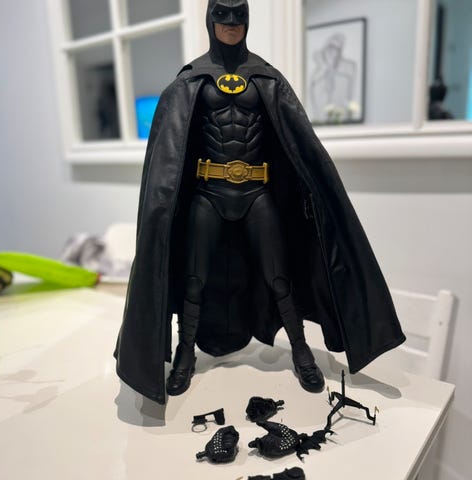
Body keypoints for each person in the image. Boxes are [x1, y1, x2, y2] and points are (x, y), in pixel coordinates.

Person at [114, 0, 405, 405]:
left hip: (257, 193)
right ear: (209, 18)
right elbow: (170, 152)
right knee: (195, 279)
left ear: (248, 19)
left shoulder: (267, 79)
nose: (231, 22)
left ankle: (300, 350)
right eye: (222, 13)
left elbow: (299, 144)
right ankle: (185, 353)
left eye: (239, 14)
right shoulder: (190, 81)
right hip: (208, 194)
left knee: (279, 275)